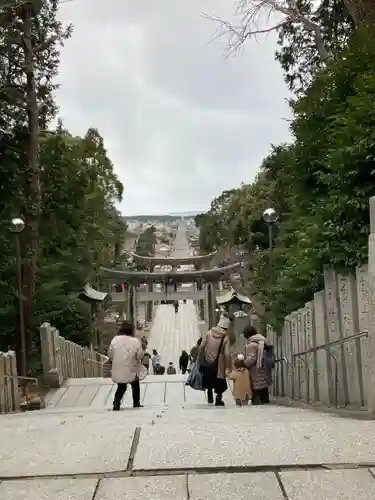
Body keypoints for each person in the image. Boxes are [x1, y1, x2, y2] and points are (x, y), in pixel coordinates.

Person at [108, 321, 144, 410]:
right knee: (135, 383)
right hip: (131, 368)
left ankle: (116, 402)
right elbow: (139, 355)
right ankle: (136, 403)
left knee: (121, 386)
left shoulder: (115, 339)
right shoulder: (135, 341)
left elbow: (110, 354)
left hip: (118, 369)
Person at [198, 315, 232, 406]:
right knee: (219, 381)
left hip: (208, 360)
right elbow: (227, 353)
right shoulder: (225, 337)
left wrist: (201, 358)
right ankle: (218, 398)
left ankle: (209, 395)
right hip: (219, 363)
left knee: (209, 377)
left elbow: (201, 346)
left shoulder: (209, 333)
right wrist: (228, 366)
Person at [243, 325, 272, 405]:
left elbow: (252, 358)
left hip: (256, 369)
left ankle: (256, 400)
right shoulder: (262, 341)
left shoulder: (251, 345)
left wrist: (244, 363)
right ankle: (265, 399)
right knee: (264, 384)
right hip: (265, 367)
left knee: (256, 385)